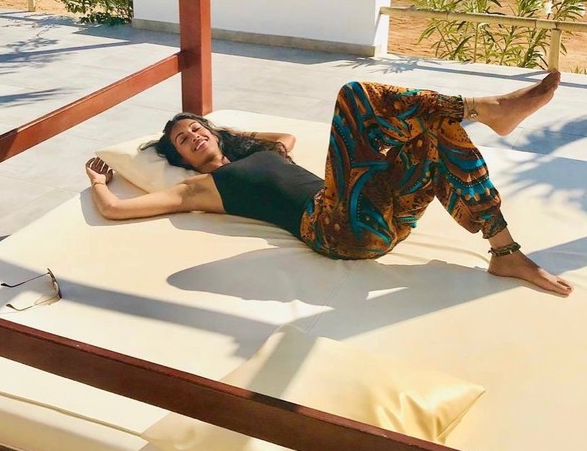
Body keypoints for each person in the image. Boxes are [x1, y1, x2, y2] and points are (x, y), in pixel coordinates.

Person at [86, 72, 572, 297]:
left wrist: (230, 132)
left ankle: (505, 253)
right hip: (335, 228)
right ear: (180, 158)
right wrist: (99, 183)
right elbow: (116, 210)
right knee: (355, 96)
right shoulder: (202, 187)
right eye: (182, 140)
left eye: (197, 128)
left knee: (433, 133)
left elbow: (284, 138)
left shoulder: (260, 153)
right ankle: (489, 110)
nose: (193, 136)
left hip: (382, 215)